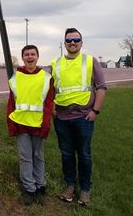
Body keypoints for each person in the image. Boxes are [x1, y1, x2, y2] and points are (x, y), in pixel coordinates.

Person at [51, 27, 107, 206]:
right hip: (61, 118)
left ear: (82, 43)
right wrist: (52, 109)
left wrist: (95, 111)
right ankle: (69, 186)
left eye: (76, 40)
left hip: (84, 117)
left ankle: (85, 190)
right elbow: (50, 89)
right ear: (65, 43)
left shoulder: (91, 61)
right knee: (66, 154)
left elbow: (101, 87)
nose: (72, 43)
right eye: (69, 40)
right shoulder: (56, 63)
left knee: (84, 154)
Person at [7, 45, 55, 206]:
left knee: (38, 156)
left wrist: (46, 124)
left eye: (32, 54)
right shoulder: (15, 77)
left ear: (37, 57)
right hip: (21, 123)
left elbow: (48, 104)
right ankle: (29, 189)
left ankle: (40, 186)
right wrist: (11, 123)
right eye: (26, 54)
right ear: (22, 57)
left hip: (39, 124)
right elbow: (11, 102)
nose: (29, 57)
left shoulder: (46, 77)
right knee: (25, 157)